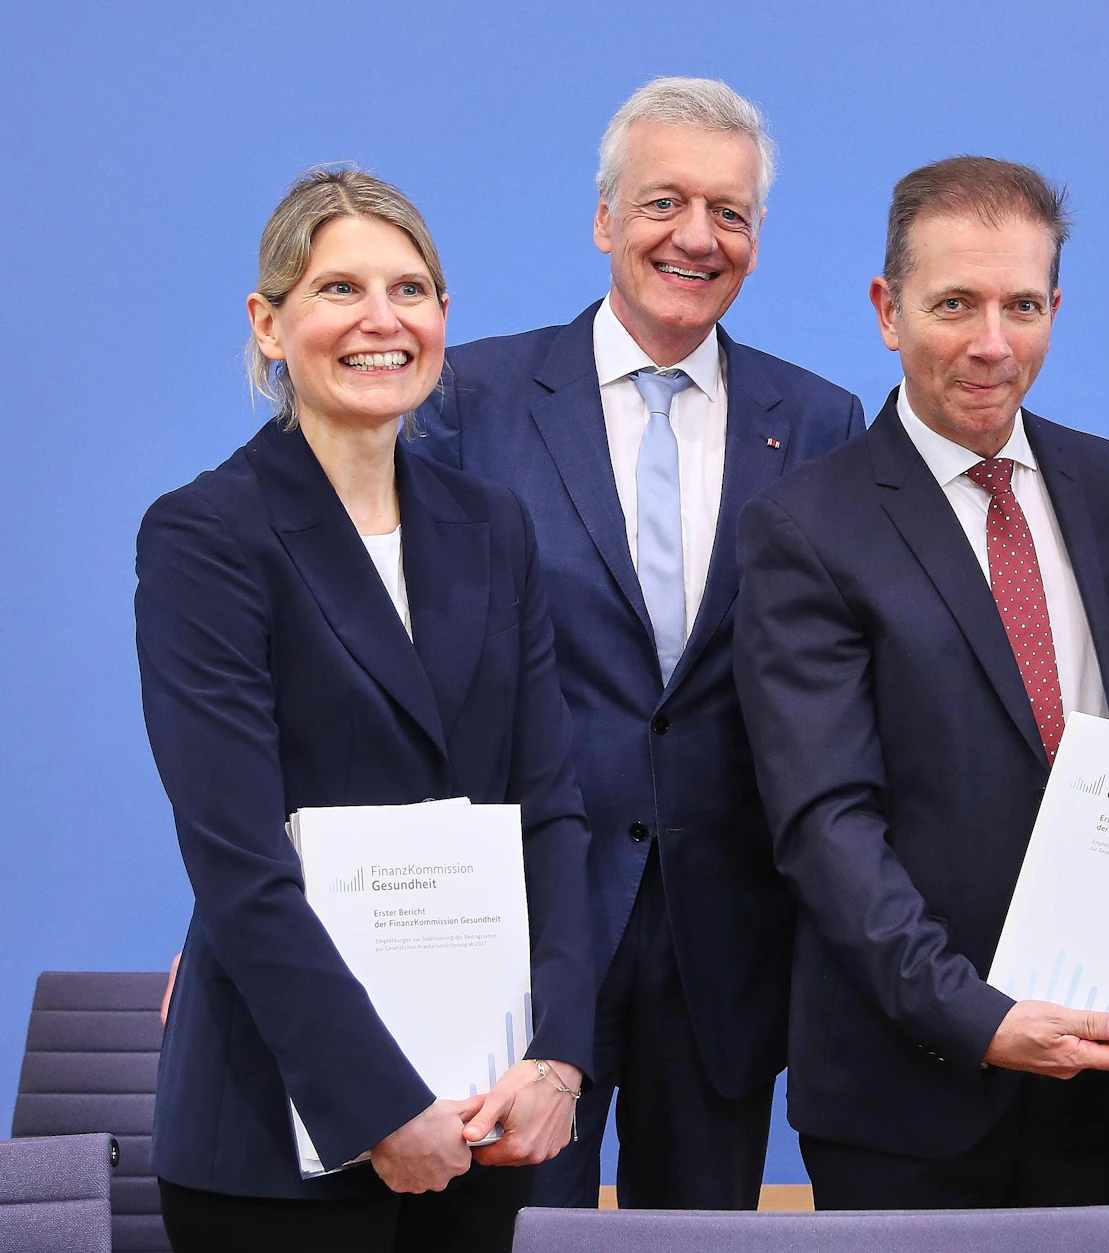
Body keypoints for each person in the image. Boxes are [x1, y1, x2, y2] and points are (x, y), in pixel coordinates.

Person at [733, 156, 1109, 1253]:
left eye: (1021, 305)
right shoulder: (807, 526)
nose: (992, 342)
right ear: (885, 311)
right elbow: (824, 824)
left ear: (1052, 309)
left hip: (1099, 1066)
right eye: (954, 304)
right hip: (910, 1089)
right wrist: (980, 1019)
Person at [412, 78, 864, 1210]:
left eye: (731, 212)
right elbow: (379, 661)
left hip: (724, 934)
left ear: (758, 238)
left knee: (699, 1236)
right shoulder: (473, 397)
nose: (697, 237)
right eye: (665, 202)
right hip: (518, 925)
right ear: (604, 219)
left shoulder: (818, 421)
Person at [136, 167, 594, 1252]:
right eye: (339, 288)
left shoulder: (493, 526)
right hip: (278, 1144)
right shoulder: (207, 536)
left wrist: (561, 1052)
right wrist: (378, 1102)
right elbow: (239, 865)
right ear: (268, 322)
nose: (382, 321)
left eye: (412, 289)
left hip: (484, 1121)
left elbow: (552, 810)